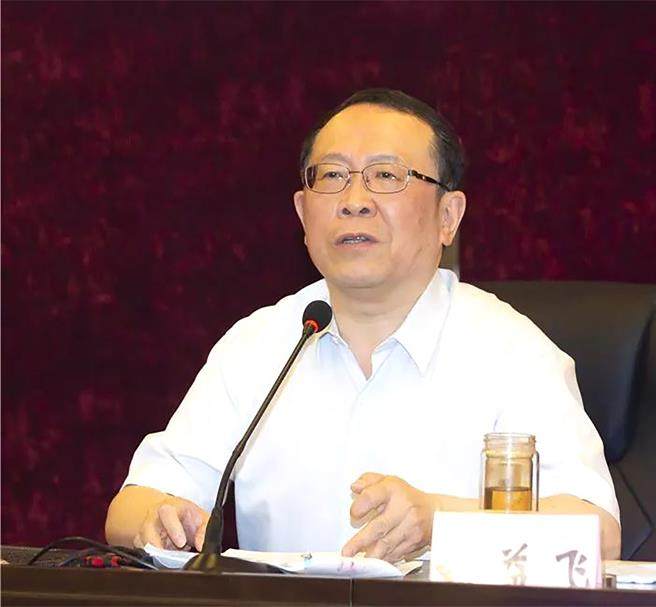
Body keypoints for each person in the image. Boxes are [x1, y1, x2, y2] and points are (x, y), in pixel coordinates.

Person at [105, 89, 621, 562]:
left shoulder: (512, 352)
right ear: (303, 215)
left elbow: (597, 535)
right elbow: (131, 508)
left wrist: (439, 521)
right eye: (332, 177)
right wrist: (159, 519)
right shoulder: (258, 347)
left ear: (448, 216)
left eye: (386, 175)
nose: (354, 200)